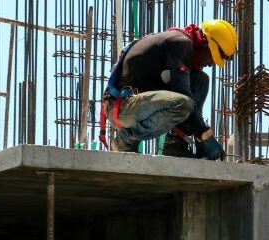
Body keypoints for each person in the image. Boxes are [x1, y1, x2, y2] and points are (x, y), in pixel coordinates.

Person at [100, 20, 237, 160]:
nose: (210, 64)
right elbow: (183, 95)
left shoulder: (180, 43)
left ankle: (175, 143)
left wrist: (201, 137)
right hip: (121, 106)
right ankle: (126, 139)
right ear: (204, 44)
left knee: (201, 80)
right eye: (212, 57)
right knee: (183, 104)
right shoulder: (180, 43)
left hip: (138, 103)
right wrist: (205, 135)